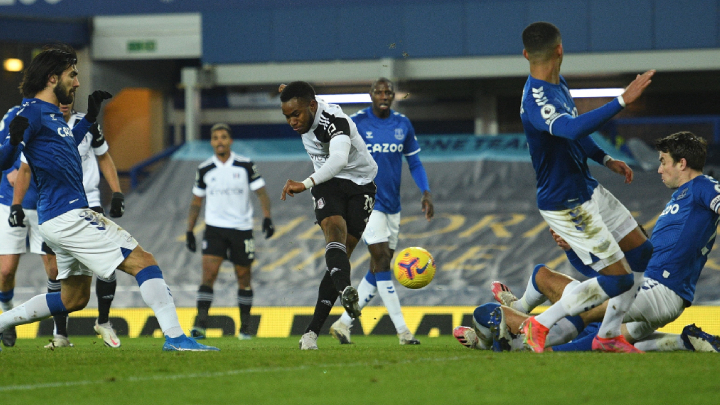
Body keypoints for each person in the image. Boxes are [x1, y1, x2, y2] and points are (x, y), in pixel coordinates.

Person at [0, 44, 217, 351]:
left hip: (58, 217)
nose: (76, 82)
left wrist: (88, 119)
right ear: (51, 78)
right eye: (72, 75)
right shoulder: (30, 112)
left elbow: (63, 149)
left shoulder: (49, 114)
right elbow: (4, 158)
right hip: (68, 215)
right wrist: (13, 140)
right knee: (144, 262)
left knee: (73, 299)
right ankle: (175, 337)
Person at [481, 131, 720, 353]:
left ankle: (517, 330)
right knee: (551, 281)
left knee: (584, 308)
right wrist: (573, 248)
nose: (659, 169)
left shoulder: (702, 186)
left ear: (682, 163)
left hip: (662, 289)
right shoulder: (683, 196)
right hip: (651, 286)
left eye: (663, 161)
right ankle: (680, 340)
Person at [519, 21, 655, 352]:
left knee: (641, 252)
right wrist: (621, 101)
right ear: (560, 49)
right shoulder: (537, 98)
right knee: (618, 278)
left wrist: (604, 158)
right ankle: (540, 323)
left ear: (526, 54)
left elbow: (578, 134)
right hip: (566, 202)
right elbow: (569, 129)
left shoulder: (558, 85)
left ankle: (607, 337)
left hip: (586, 188)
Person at [11, 99, 126, 348]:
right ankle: (60, 334)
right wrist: (16, 204)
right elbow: (25, 169)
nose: (64, 103)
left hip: (89, 203)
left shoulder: (88, 125)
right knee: (55, 272)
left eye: (68, 99)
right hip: (55, 207)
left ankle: (104, 321)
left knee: (106, 261)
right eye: (59, 100)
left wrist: (116, 192)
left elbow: (104, 157)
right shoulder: (40, 126)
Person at [329, 78, 432, 345]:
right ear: (371, 95)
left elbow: (415, 161)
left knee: (378, 268)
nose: (384, 96)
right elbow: (338, 154)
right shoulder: (357, 122)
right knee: (383, 260)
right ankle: (403, 331)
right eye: (379, 92)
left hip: (392, 206)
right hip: (366, 202)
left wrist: (426, 191)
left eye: (388, 92)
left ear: (393, 95)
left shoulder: (402, 124)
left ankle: (343, 324)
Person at [279, 81, 378, 350]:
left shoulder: (335, 121)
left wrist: (305, 183)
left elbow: (338, 161)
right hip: (328, 182)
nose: (292, 121)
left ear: (311, 106)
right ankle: (341, 296)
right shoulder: (306, 105)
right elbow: (304, 96)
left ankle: (314, 328)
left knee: (342, 253)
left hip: (359, 183)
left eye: (295, 114)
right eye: (287, 116)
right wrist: (289, 90)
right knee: (334, 230)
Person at [185, 123, 274, 340]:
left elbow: (261, 193)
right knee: (208, 276)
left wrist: (267, 217)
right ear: (212, 142)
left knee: (243, 278)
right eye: (215, 138)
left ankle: (245, 328)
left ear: (230, 141)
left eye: (223, 137)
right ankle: (201, 326)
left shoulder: (245, 165)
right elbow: (196, 202)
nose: (220, 141)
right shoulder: (205, 168)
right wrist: (189, 230)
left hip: (241, 230)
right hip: (214, 229)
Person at [0, 106, 58, 349]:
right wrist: (10, 169)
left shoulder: (59, 115)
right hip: (10, 201)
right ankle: (6, 316)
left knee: (54, 271)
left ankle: (60, 332)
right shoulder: (15, 114)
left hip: (46, 202)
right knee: (6, 271)